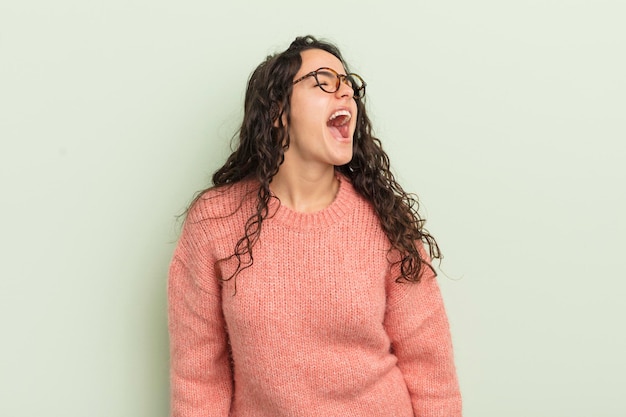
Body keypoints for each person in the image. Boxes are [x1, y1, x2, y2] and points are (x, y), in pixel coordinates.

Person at [168, 35, 462, 417]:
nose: (344, 93)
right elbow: (198, 379)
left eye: (348, 84)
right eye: (323, 81)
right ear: (278, 111)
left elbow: (431, 372)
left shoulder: (385, 220)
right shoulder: (214, 222)